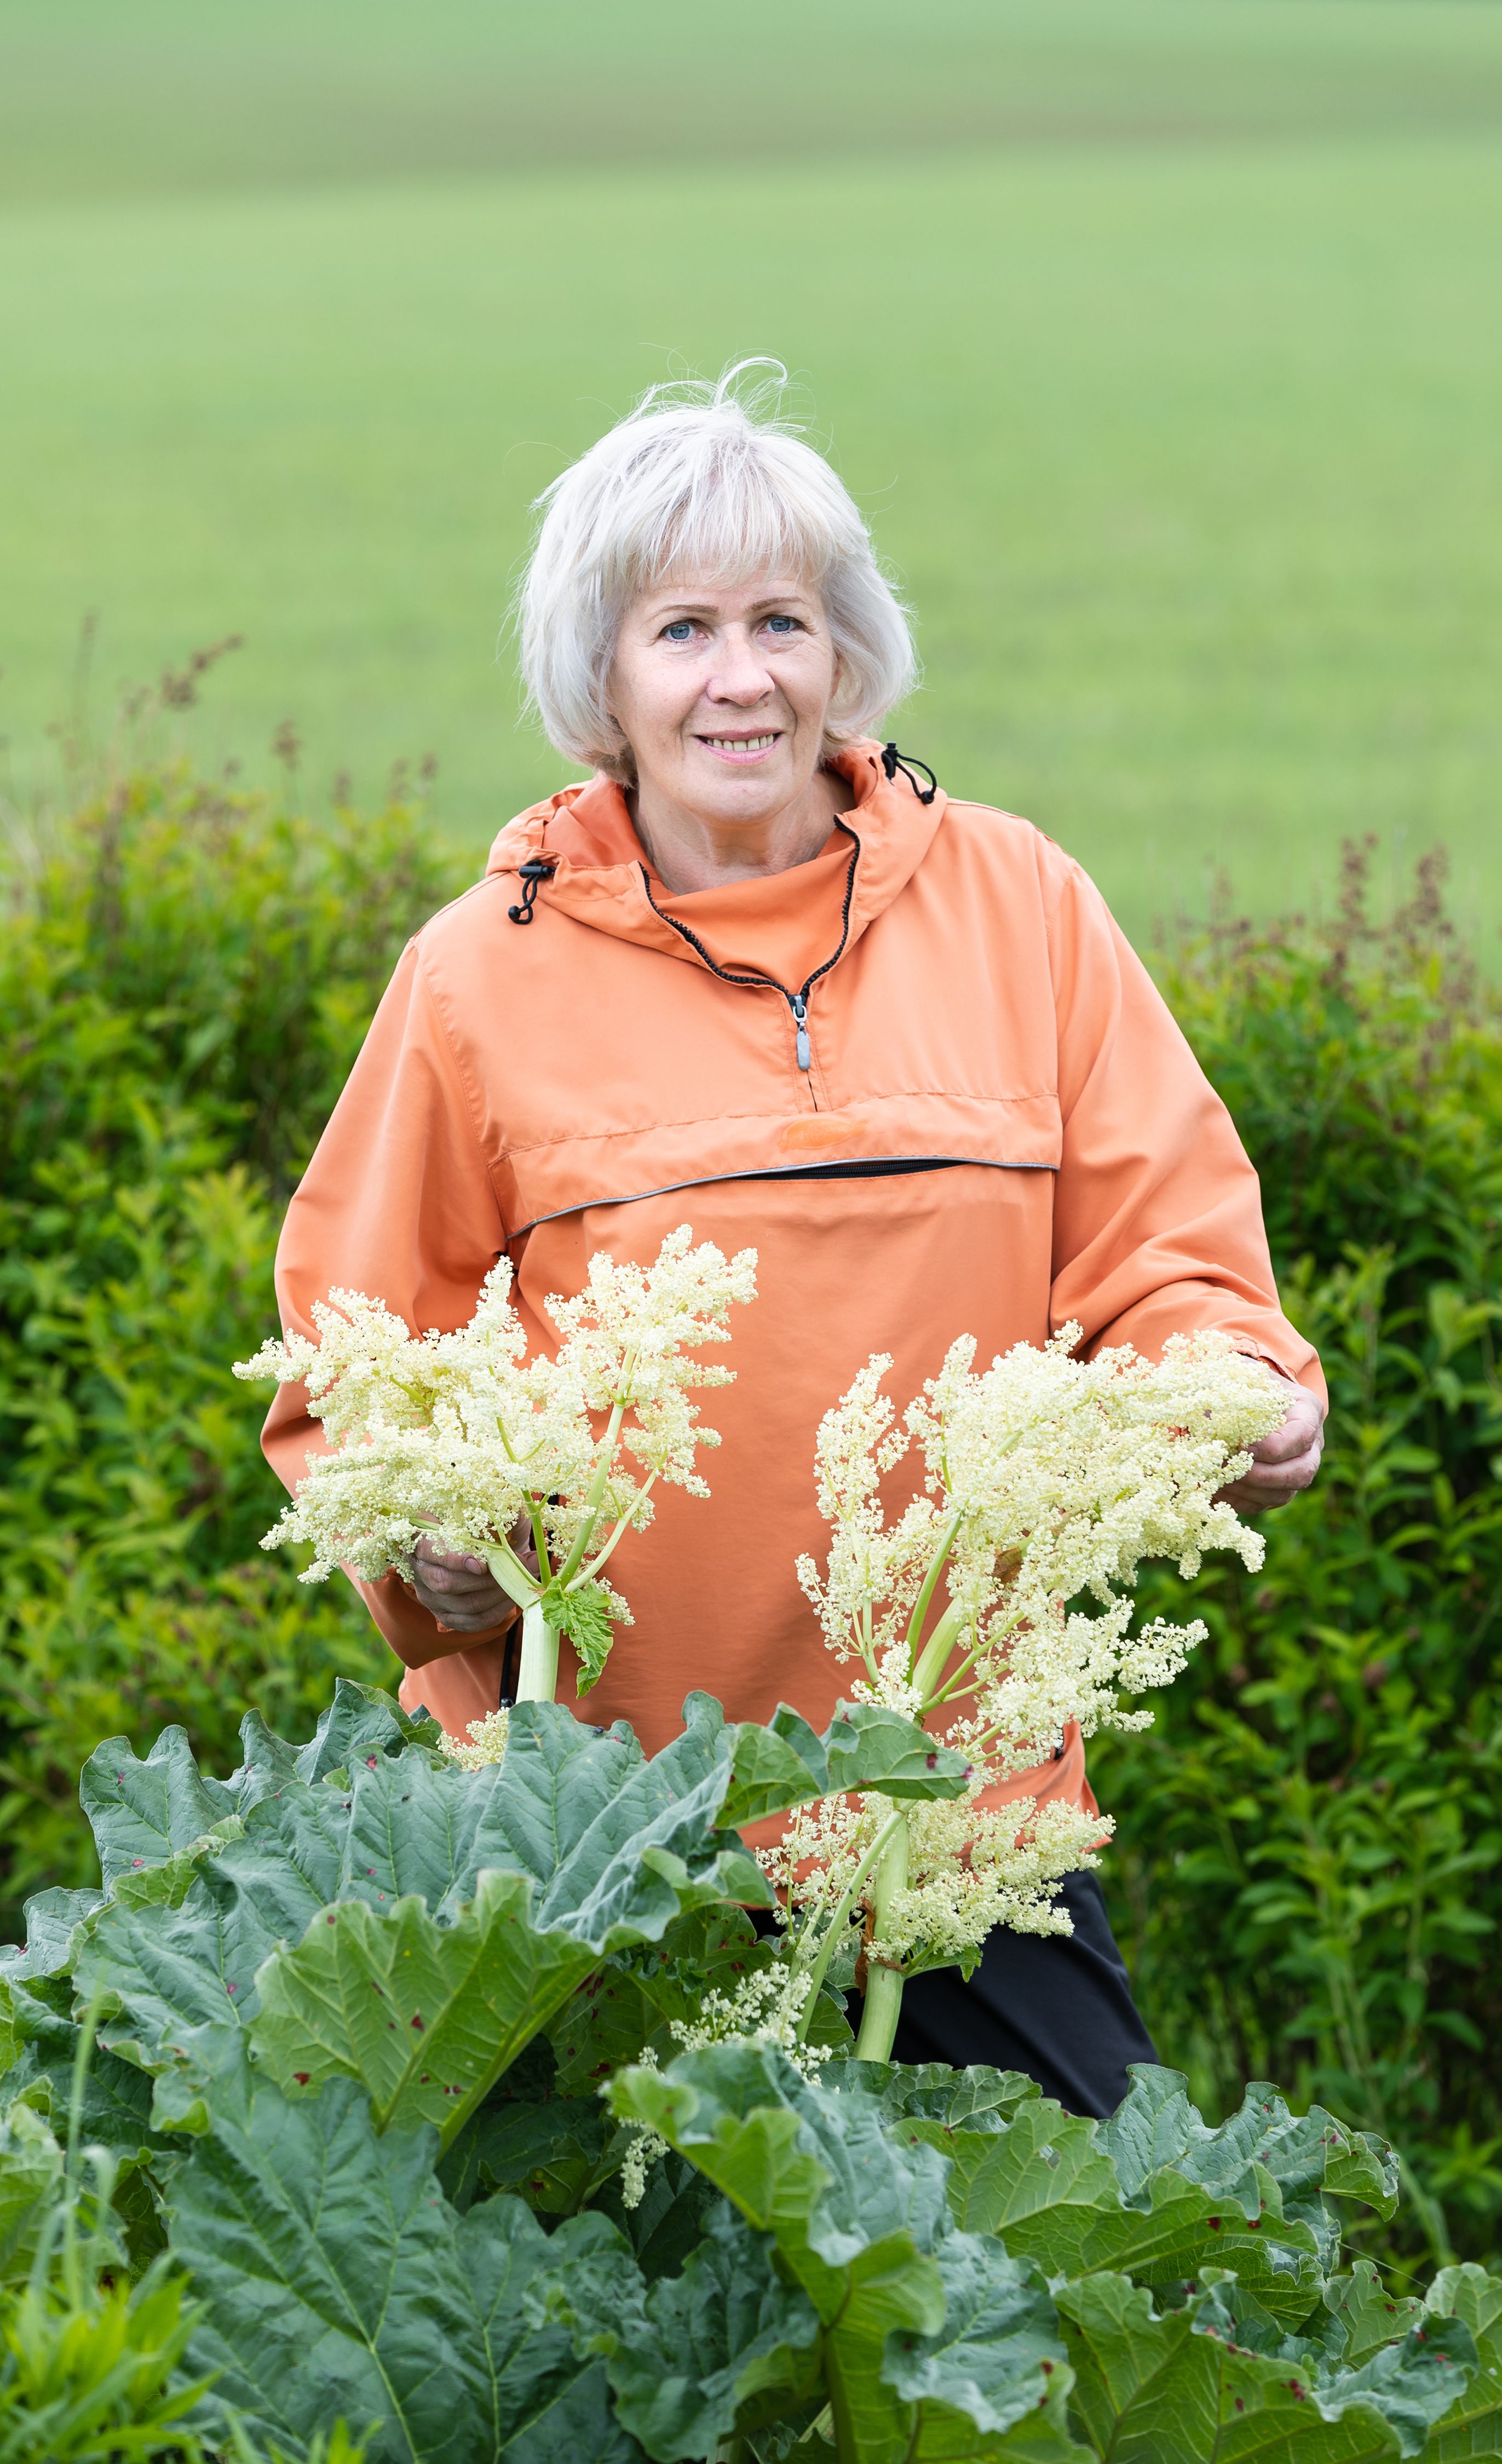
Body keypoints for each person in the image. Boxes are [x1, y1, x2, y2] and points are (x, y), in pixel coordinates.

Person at [263, 364, 1325, 2115]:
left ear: (848, 653)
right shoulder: (479, 975)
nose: (740, 675)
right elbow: (354, 1352)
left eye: (783, 619)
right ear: (600, 677)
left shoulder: (1022, 907)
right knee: (643, 2365)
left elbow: (1168, 1248)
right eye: (681, 628)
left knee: (1075, 2292)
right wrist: (431, 1548)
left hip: (961, 1824)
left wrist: (1233, 1387)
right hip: (605, 1845)